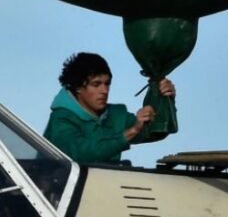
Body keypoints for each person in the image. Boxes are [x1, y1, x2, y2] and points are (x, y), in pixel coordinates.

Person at [44, 52, 176, 164]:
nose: (104, 90)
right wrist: (131, 132)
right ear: (78, 87)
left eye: (107, 84)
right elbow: (81, 155)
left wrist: (165, 98)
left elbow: (156, 130)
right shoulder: (61, 119)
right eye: (96, 84)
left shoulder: (115, 114)